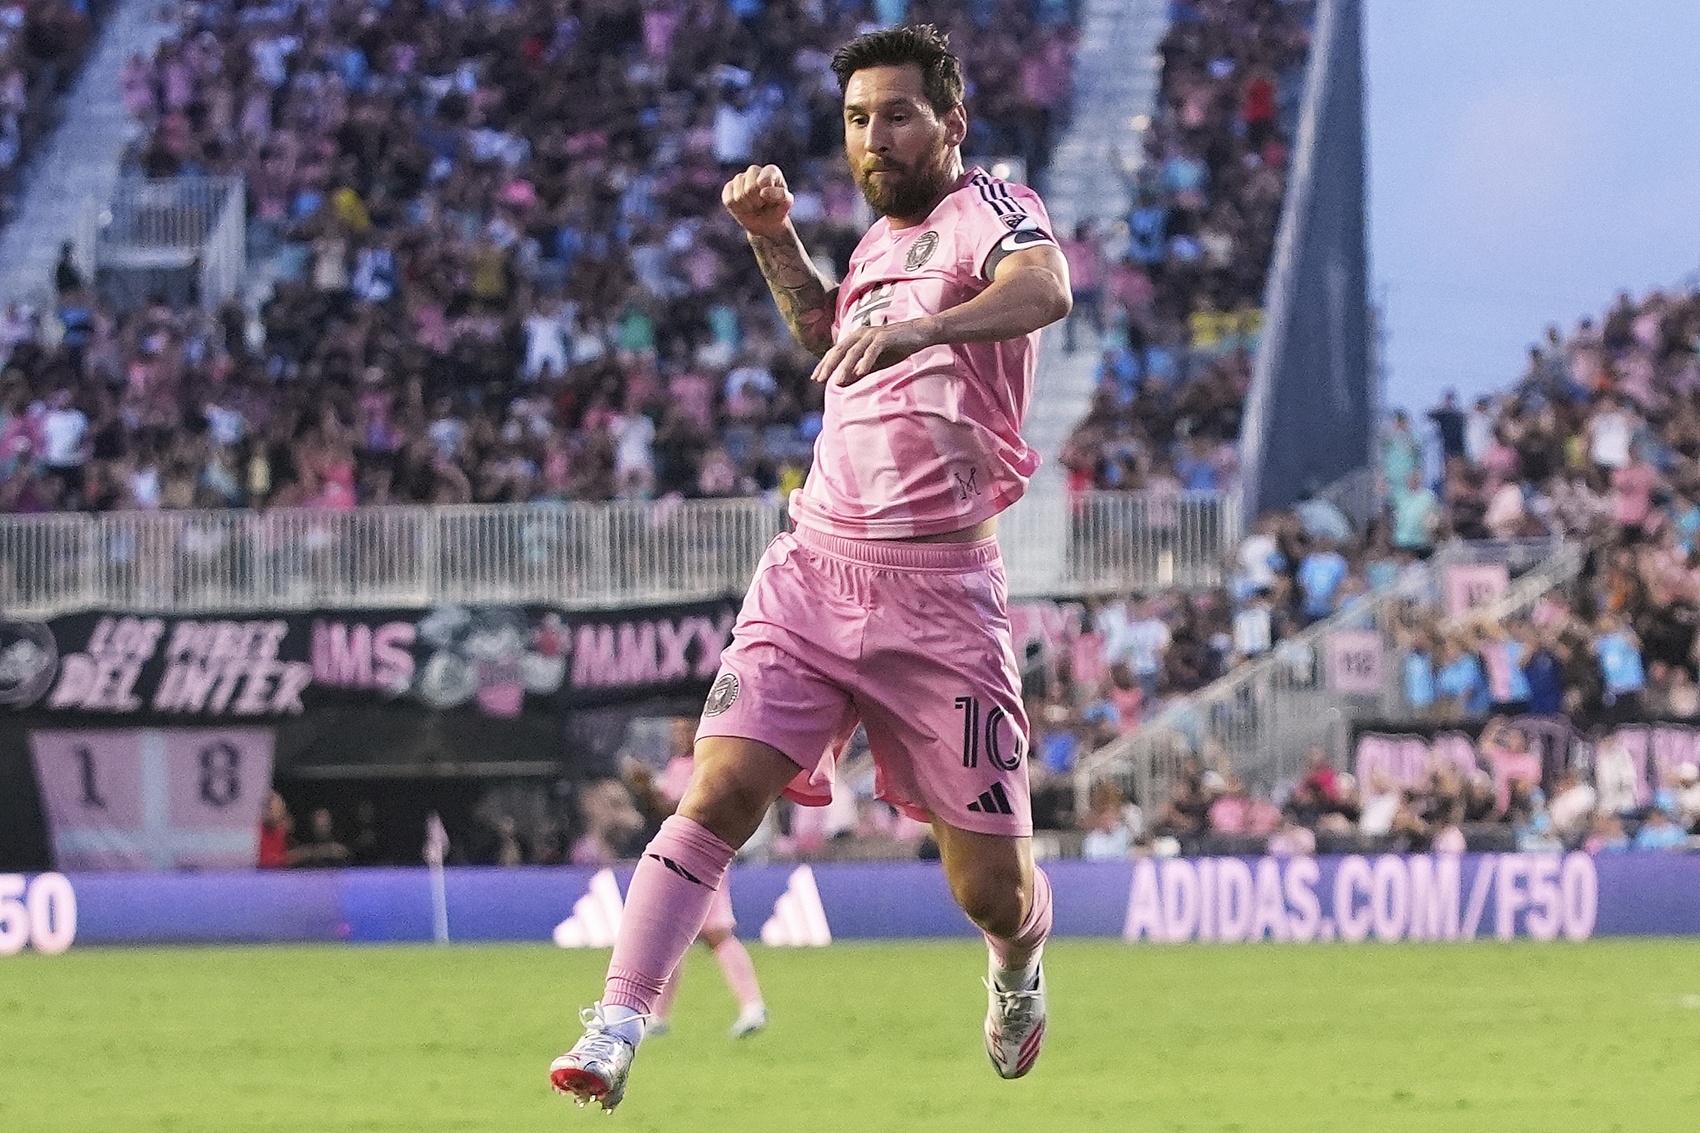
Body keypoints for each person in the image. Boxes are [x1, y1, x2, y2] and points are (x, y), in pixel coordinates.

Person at [550, 25, 1071, 1112]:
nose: (873, 138)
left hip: (943, 596)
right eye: (856, 119)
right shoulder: (874, 245)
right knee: (716, 790)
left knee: (988, 887)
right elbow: (826, 340)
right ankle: (616, 1020)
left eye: (896, 115)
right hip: (815, 567)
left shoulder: (991, 209)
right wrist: (771, 237)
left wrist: (927, 331)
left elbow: (1046, 289)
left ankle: (1017, 965)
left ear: (951, 122)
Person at [645, 720, 769, 1040]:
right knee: (671, 936)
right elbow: (668, 812)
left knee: (716, 933)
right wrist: (648, 790)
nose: (680, 737)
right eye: (676, 732)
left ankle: (753, 1006)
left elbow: (686, 808)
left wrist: (647, 788)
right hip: (681, 854)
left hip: (703, 853)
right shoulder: (678, 766)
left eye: (686, 731)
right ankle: (657, 1016)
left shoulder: (707, 762)